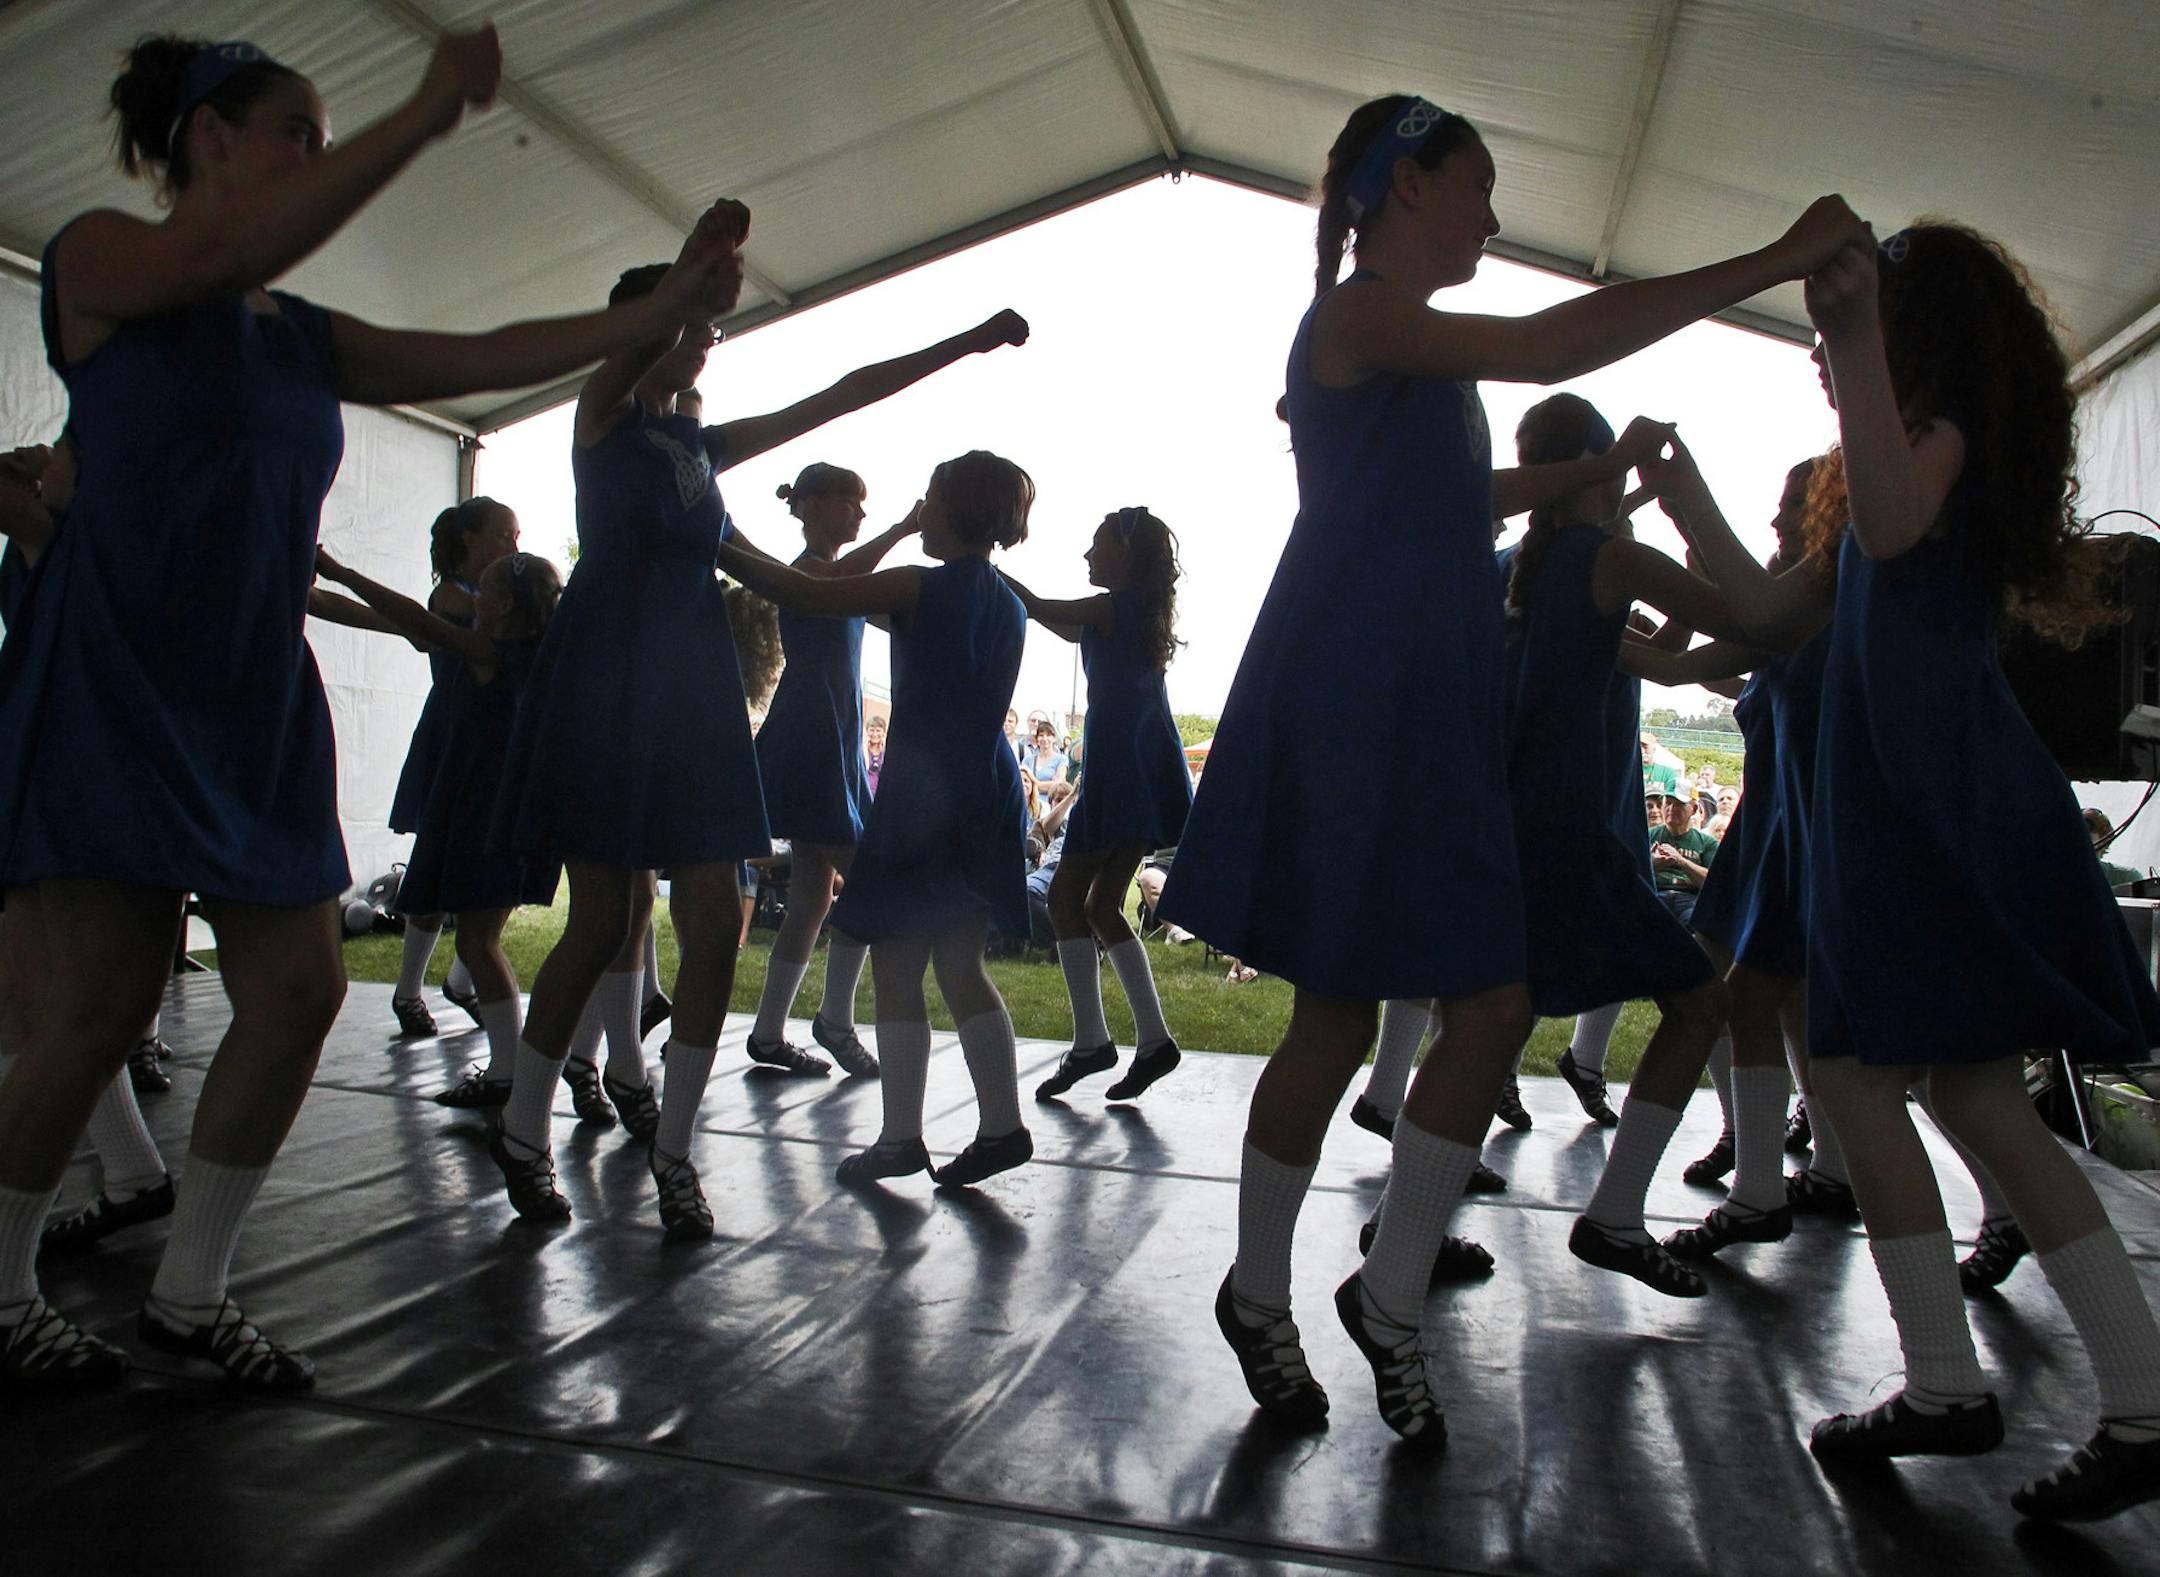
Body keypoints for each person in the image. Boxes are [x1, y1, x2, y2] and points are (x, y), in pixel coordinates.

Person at [0, 23, 762, 1387]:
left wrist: (667, 314)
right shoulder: (102, 257)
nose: (316, 154)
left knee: (294, 990)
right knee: (99, 1007)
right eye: (298, 129)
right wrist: (420, 114)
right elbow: (213, 257)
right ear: (208, 138)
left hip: (248, 697)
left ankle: (188, 1295)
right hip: (121, 676)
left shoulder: (296, 334)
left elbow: (484, 346)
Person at [1156, 89, 1863, 1445]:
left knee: (1479, 1006)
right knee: (1345, 1017)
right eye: (1477, 188)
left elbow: (1443, 494)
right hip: (1356, 702)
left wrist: (1590, 474)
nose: (1491, 215)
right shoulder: (1359, 316)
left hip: (1416, 708)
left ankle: (1384, 1294)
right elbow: (1548, 343)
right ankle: (1273, 1292)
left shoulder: (1413, 363)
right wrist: (1773, 258)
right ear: (1405, 187)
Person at [1684, 221, 2160, 1519]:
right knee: (1974, 1094)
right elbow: (1766, 614)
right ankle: (2128, 1398)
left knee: (1866, 1072)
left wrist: (1847, 334)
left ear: (1922, 335)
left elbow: (1890, 537)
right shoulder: (1895, 467)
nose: (1839, 358)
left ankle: (1958, 1383)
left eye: (1870, 322)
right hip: (1918, 798)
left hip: (1934, 797)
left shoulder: (1936, 438)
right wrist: (1679, 506)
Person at [487, 253, 1029, 1235]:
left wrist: (966, 342)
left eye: (708, 324)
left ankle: (677, 1150)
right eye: (691, 322)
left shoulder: (703, 445)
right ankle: (522, 1128)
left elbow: (841, 391)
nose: (706, 338)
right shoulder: (604, 419)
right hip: (608, 679)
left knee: (715, 926)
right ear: (648, 322)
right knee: (604, 920)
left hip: (691, 689)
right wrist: (684, 285)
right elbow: (632, 350)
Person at [719, 452, 1037, 1192]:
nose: (917, 509)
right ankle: (1002, 1125)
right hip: (987, 789)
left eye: (927, 499)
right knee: (961, 965)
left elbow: (805, 589)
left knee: (898, 966)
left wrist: (717, 537)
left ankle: (900, 1138)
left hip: (925, 797)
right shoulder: (1008, 603)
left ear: (951, 510)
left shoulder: (917, 587)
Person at [313, 548, 574, 1113]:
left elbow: (408, 615)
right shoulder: (544, 655)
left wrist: (342, 570)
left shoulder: (488, 651)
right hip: (511, 814)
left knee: (478, 943)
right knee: (482, 941)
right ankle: (508, 1068)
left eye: (482, 593)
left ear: (502, 607)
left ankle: (509, 1073)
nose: (471, 601)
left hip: (480, 813)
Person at [740, 464, 928, 1082]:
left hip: (832, 737)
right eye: (852, 502)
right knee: (868, 882)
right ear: (813, 505)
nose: (861, 515)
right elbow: (848, 578)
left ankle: (769, 1033)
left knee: (813, 897)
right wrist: (904, 529)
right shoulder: (808, 572)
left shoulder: (838, 577)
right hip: (813, 737)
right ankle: (836, 1022)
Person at [1006, 508, 1194, 1103]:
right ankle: (1154, 1040)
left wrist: (983, 564)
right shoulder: (1128, 614)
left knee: (1067, 897)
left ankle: (1092, 1041)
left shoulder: (1111, 608)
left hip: (1119, 774)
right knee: (1102, 906)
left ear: (1127, 556)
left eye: (1097, 545)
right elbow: (1055, 618)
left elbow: (1039, 606)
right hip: (1145, 768)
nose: (1087, 556)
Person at [385, 496, 520, 1039]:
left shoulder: (474, 598)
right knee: (438, 872)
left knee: (474, 879)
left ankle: (454, 981)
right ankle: (410, 989)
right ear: (470, 539)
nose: (513, 546)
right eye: (504, 535)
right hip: (455, 737)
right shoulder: (456, 599)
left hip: (475, 738)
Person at [1647, 784, 1718, 927]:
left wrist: (1681, 861)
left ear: (1694, 809)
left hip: (1689, 898)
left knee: (1696, 922)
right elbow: (1630, 873)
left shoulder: (1707, 843)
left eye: (1679, 805)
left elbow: (1713, 883)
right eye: (1668, 803)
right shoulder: (1647, 835)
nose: (1671, 809)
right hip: (1656, 893)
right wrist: (1651, 865)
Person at [1023, 719, 1068, 787]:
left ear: (1054, 738)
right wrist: (1050, 783)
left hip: (1052, 797)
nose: (1045, 738)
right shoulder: (1028, 760)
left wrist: (1034, 782)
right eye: (1041, 735)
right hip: (1032, 797)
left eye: (1048, 735)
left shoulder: (1062, 759)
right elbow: (1023, 783)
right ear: (1037, 739)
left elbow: (1059, 785)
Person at [865, 713, 887, 799]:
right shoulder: (862, 749)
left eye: (878, 730)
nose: (874, 734)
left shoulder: (885, 751)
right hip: (865, 793)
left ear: (883, 733)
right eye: (872, 730)